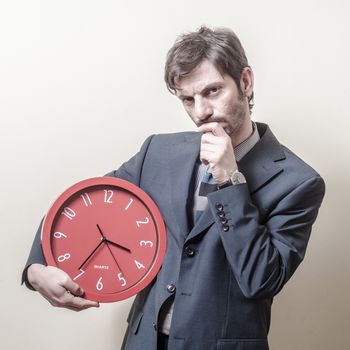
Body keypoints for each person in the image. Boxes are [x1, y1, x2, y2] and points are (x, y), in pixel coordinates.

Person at [22, 26, 325, 350]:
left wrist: (229, 180)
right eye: (188, 99)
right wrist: (36, 267)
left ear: (245, 82)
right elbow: (82, 208)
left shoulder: (297, 182)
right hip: (144, 341)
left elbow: (260, 280)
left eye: (212, 91)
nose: (201, 111)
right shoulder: (159, 152)